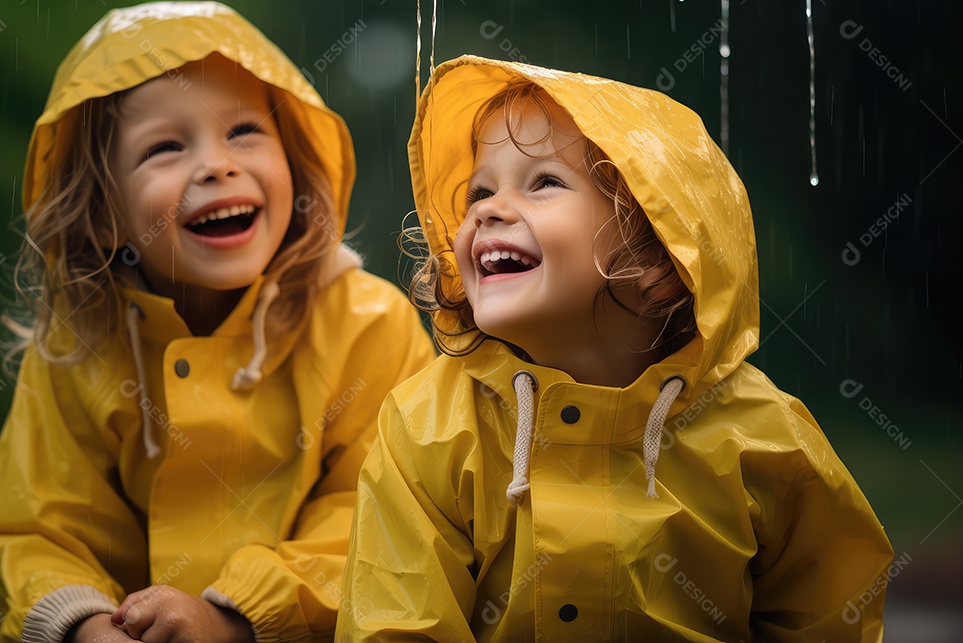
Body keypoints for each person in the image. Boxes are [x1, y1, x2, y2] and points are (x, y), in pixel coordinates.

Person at [338, 55, 894, 641]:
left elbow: (829, 616)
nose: (487, 210)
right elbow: (395, 623)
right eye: (479, 190)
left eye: (544, 182)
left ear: (656, 244)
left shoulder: (764, 438)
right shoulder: (429, 428)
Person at [0, 3, 435, 642]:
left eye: (244, 132)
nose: (216, 165)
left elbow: (383, 516)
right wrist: (81, 623)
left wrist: (235, 615)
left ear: (295, 168)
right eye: (166, 147)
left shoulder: (369, 326)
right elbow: (35, 523)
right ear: (104, 216)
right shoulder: (80, 346)